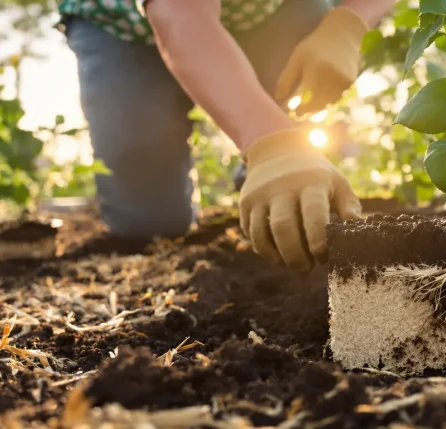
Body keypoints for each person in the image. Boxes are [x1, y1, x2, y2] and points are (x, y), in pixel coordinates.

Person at [56, 0, 396, 273]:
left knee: (310, 27)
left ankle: (269, 179)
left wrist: (348, 23)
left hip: (270, 11)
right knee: (149, 223)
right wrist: (272, 144)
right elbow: (180, 16)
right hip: (123, 28)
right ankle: (268, 156)